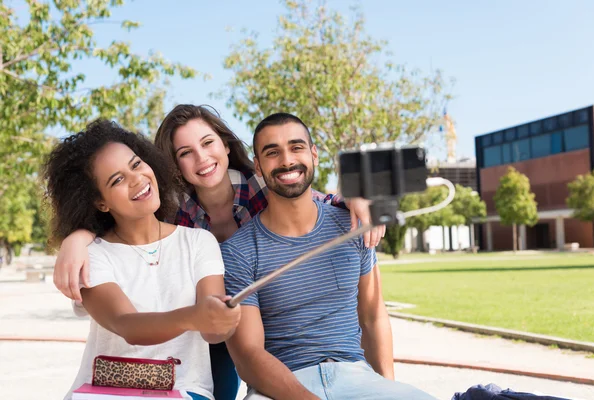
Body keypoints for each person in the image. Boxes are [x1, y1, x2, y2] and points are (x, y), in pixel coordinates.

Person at [51, 105, 385, 400]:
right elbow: (125, 228)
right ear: (173, 165)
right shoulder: (173, 213)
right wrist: (78, 237)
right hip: (200, 334)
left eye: (208, 143)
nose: (201, 158)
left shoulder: (261, 186)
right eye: (185, 152)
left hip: (254, 322)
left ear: (225, 145)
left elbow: (309, 207)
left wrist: (351, 198)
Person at [222, 113, 437, 400]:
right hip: (280, 387)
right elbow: (249, 356)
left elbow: (373, 316)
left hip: (356, 377)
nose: (286, 160)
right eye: (272, 152)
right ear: (258, 167)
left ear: (314, 155)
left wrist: (388, 388)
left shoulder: (352, 225)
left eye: (296, 147)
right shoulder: (238, 251)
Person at [43, 120, 241, 400]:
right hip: (105, 392)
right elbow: (127, 324)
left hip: (184, 390)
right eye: (117, 180)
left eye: (136, 165)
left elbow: (212, 333)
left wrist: (218, 320)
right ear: (101, 202)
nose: (137, 179)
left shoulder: (199, 242)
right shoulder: (91, 255)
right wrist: (195, 316)